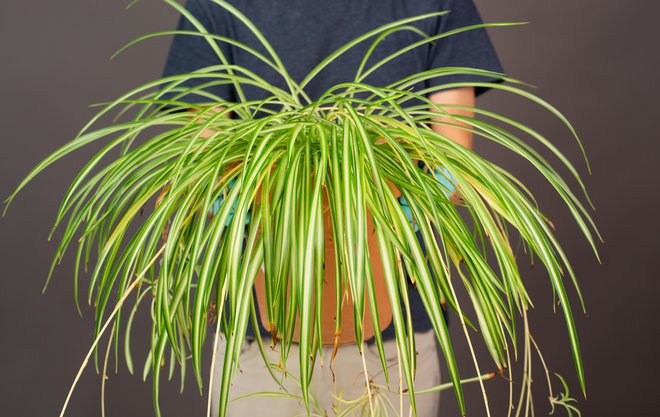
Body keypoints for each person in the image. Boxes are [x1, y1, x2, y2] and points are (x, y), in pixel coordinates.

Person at [160, 1, 504, 415]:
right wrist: (239, 205)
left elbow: (453, 166)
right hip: (259, 336)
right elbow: (207, 163)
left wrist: (393, 213)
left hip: (395, 333)